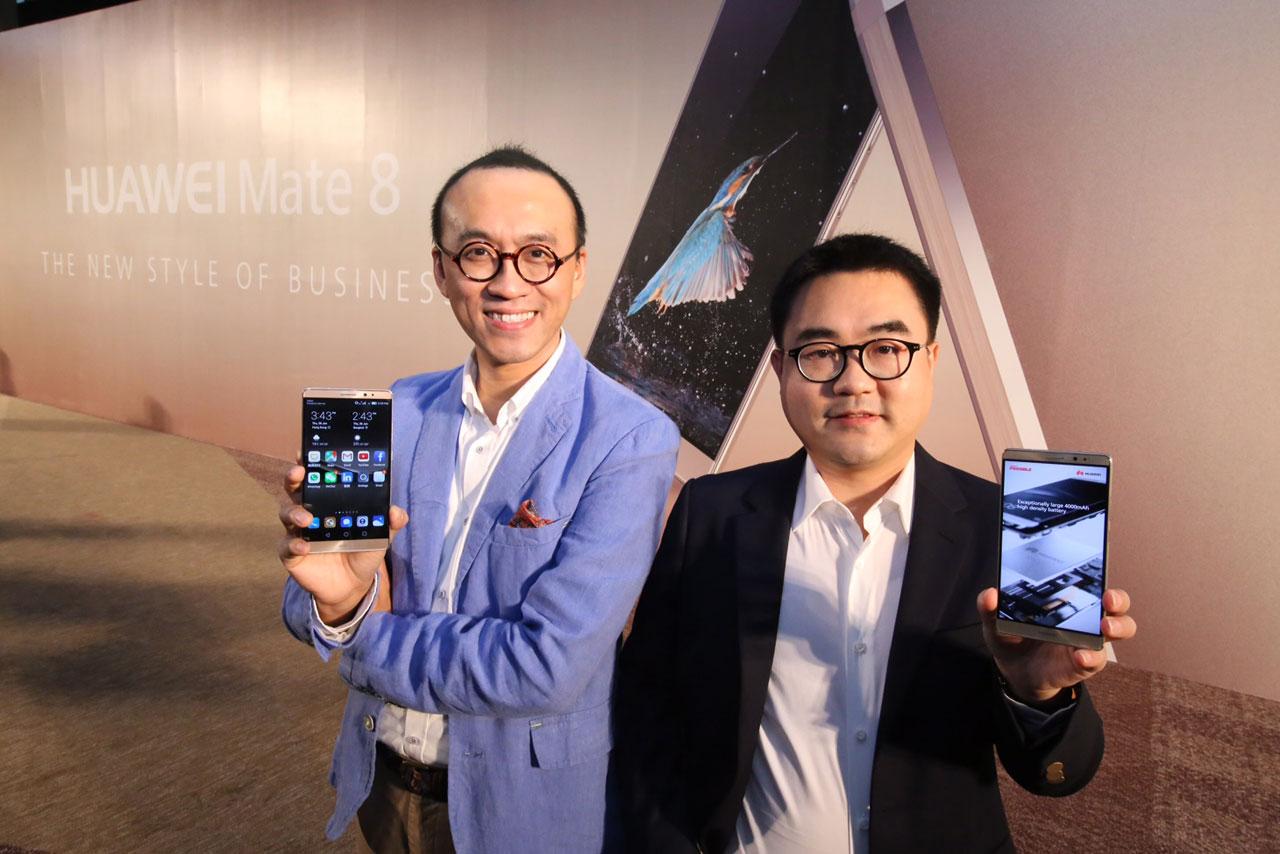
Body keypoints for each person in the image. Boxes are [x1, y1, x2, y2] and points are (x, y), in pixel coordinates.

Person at [614, 233, 1137, 853]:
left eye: (886, 349)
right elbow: (646, 709)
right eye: (820, 352)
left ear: (930, 361)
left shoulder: (1007, 527)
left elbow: (1058, 776)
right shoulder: (712, 512)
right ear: (781, 370)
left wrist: (1038, 693)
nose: (853, 381)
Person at [278, 146, 680, 853]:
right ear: (441, 270)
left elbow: (546, 667)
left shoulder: (630, 437)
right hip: (381, 781)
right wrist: (335, 602)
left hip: (522, 810)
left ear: (578, 269)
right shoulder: (395, 408)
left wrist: (357, 632)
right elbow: (305, 603)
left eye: (538, 255)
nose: (507, 282)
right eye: (478, 254)